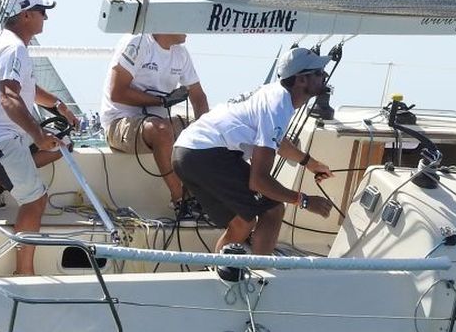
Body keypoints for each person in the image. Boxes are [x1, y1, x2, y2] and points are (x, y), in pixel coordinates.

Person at [173, 47, 335, 258]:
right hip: (206, 152)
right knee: (273, 209)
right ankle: (261, 274)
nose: (324, 76)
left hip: (185, 152)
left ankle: (220, 271)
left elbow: (275, 140)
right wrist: (304, 201)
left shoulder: (273, 95)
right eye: (318, 72)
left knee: (242, 220)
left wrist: (310, 163)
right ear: (301, 80)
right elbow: (258, 181)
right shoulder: (279, 105)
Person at [0, 0, 78, 275]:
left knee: (63, 146)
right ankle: (24, 272)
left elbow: (28, 90)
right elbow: (9, 97)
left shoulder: (6, 44)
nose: (46, 16)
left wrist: (60, 106)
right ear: (25, 14)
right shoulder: (13, 48)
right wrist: (38, 135)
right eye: (42, 11)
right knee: (35, 200)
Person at [99, 32, 210, 210]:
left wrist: (208, 132)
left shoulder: (181, 53)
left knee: (212, 129)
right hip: (119, 123)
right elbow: (117, 92)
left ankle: (200, 196)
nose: (189, 29)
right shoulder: (138, 42)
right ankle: (179, 198)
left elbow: (199, 97)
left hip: (157, 122)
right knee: (161, 130)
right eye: (184, 21)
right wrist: (162, 101)